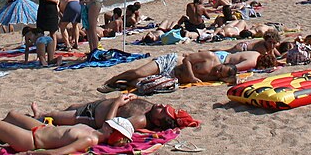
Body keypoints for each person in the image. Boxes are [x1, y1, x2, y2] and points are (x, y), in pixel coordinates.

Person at [0, 111, 134, 155]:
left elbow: (57, 152)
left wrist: (27, 154)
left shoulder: (90, 138)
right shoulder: (95, 130)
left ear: (110, 130)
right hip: (41, 129)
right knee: (12, 115)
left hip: (33, 140)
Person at [27, 94, 193, 132]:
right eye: (165, 106)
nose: (162, 105)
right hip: (95, 106)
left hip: (91, 117)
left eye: (163, 110)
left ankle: (39, 116)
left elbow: (108, 128)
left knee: (57, 116)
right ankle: (42, 115)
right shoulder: (151, 111)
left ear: (157, 122)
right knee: (71, 106)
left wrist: (116, 103)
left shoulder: (141, 120)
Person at [98, 51, 239, 91]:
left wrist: (234, 80)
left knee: (142, 84)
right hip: (171, 63)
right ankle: (112, 80)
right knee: (138, 73)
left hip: (172, 78)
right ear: (222, 63)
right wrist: (191, 77)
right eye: (220, 69)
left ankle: (120, 85)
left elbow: (233, 80)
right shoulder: (210, 57)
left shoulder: (219, 77)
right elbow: (187, 60)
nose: (217, 73)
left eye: (221, 74)